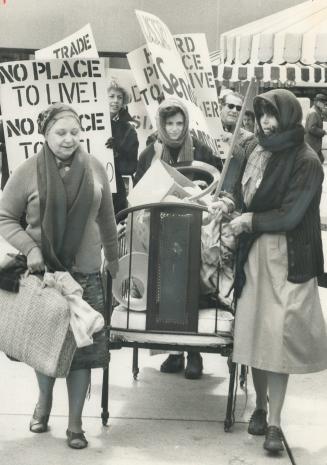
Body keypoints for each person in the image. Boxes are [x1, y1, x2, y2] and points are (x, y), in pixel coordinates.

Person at [0, 103, 119, 449]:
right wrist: (31, 249)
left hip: (85, 275)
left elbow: (108, 222)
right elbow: (5, 216)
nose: (69, 139)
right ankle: (44, 401)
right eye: (60, 132)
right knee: (47, 345)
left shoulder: (95, 167)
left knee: (83, 351)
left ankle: (76, 423)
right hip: (46, 276)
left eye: (74, 132)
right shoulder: (26, 171)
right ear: (46, 135)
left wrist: (115, 263)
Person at [223, 89, 327, 454]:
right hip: (255, 256)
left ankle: (275, 422)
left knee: (279, 339)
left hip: (289, 258)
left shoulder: (307, 159)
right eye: (262, 114)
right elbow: (240, 192)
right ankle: (260, 406)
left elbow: (291, 215)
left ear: (288, 117)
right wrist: (229, 203)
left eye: (272, 114)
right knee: (256, 335)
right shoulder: (254, 150)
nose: (266, 121)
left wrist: (248, 220)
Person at [134, 98, 223, 379]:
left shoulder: (202, 149)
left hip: (193, 229)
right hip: (157, 230)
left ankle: (194, 353)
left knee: (191, 288)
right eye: (169, 123)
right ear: (161, 124)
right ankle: (174, 352)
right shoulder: (149, 153)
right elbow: (139, 189)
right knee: (166, 290)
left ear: (187, 123)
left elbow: (218, 182)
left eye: (179, 123)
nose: (174, 129)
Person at [106, 80, 139, 216]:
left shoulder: (128, 130)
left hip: (115, 189)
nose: (115, 101)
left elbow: (131, 166)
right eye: (112, 96)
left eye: (119, 97)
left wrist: (118, 151)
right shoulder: (87, 123)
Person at [305, 93, 327, 163]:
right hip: (313, 144)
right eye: (323, 103)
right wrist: (324, 132)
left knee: (320, 160)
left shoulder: (315, 111)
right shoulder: (314, 113)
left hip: (313, 143)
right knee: (317, 161)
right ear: (318, 102)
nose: (324, 104)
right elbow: (312, 128)